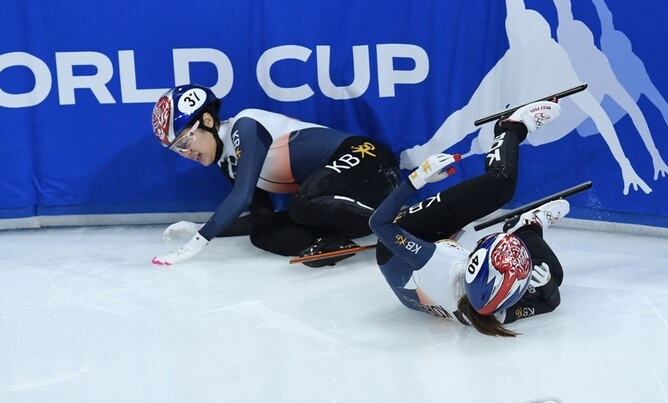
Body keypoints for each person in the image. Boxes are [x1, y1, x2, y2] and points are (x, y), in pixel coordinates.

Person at [369, 99, 569, 337]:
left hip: (402, 248)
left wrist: (416, 180)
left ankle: (511, 127)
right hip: (420, 276)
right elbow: (550, 302)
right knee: (552, 277)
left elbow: (379, 224)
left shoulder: (437, 260)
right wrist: (546, 286)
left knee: (500, 185)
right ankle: (525, 228)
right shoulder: (495, 312)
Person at [150, 84, 400, 266]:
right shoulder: (227, 163)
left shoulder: (244, 126)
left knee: (302, 203)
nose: (186, 153)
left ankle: (404, 225)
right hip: (341, 197)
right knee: (262, 230)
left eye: (184, 142)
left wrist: (197, 241)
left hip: (370, 160)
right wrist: (199, 226)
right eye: (177, 150)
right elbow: (260, 214)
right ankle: (331, 243)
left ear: (206, 120)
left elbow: (242, 196)